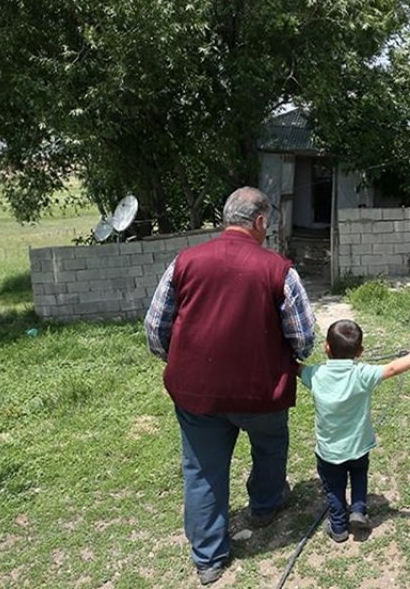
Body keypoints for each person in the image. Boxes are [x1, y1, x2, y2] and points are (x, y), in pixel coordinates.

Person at [144, 187, 316, 586]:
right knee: (270, 447)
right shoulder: (279, 269)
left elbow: (155, 329)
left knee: (202, 470)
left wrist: (183, 362)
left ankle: (208, 558)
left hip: (197, 395)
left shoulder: (184, 262)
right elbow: (304, 337)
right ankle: (266, 504)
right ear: (259, 222)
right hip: (263, 391)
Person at [300, 319, 410, 542]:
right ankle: (359, 509)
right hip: (359, 447)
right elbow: (392, 367)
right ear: (360, 352)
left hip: (329, 451)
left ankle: (338, 528)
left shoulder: (316, 375)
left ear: (326, 347)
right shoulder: (362, 374)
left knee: (334, 488)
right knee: (359, 475)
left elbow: (296, 368)